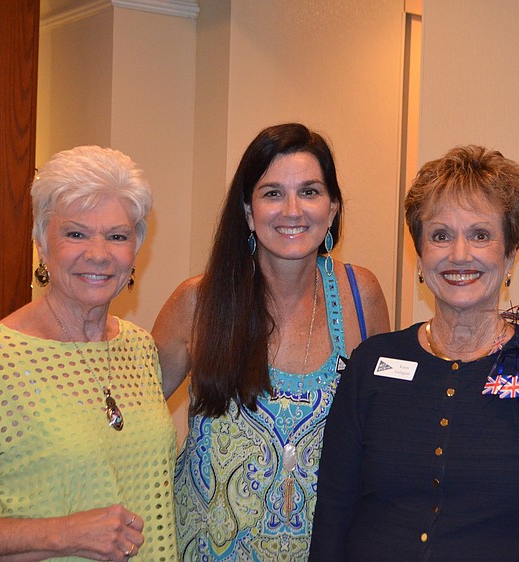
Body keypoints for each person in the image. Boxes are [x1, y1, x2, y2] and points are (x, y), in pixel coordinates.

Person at [309, 145, 519, 561]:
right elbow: (333, 517)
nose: (459, 255)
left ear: (510, 255)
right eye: (440, 236)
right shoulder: (371, 366)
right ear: (420, 256)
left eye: (480, 235)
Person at [154, 122, 390, 560]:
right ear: (248, 211)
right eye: (273, 193)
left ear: (334, 208)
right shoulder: (198, 302)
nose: (293, 210)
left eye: (311, 191)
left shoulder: (363, 295)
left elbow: (384, 435)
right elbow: (134, 424)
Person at [0, 146, 177, 561]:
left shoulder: (140, 347)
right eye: (75, 233)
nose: (98, 253)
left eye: (117, 236)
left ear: (135, 249)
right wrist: (62, 533)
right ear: (40, 242)